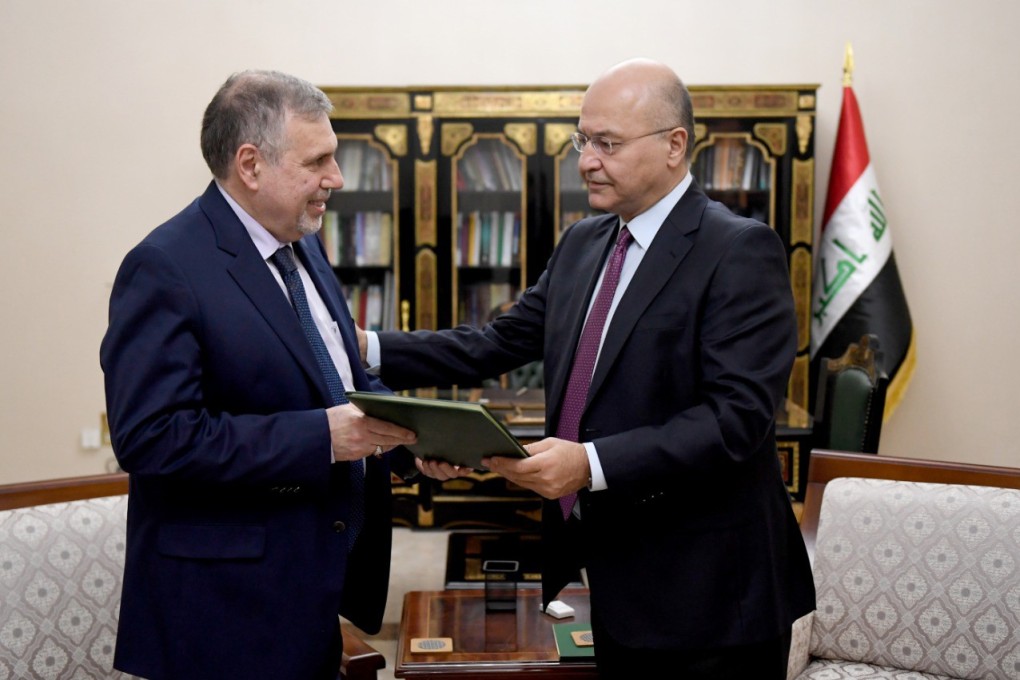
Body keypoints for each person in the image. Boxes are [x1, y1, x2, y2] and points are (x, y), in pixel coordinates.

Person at [359, 58, 815, 678]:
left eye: (608, 143)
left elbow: (734, 420)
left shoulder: (737, 250)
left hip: (710, 593)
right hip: (614, 576)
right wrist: (365, 347)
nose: (586, 161)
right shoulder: (584, 243)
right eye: (584, 140)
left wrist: (590, 464)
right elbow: (495, 342)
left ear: (674, 145)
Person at [100, 70, 418, 680]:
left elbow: (341, 377)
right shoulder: (164, 267)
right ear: (250, 164)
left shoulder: (303, 242)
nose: (336, 178)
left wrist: (415, 438)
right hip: (224, 614)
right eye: (318, 161)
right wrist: (321, 437)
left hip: (311, 589)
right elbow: (151, 437)